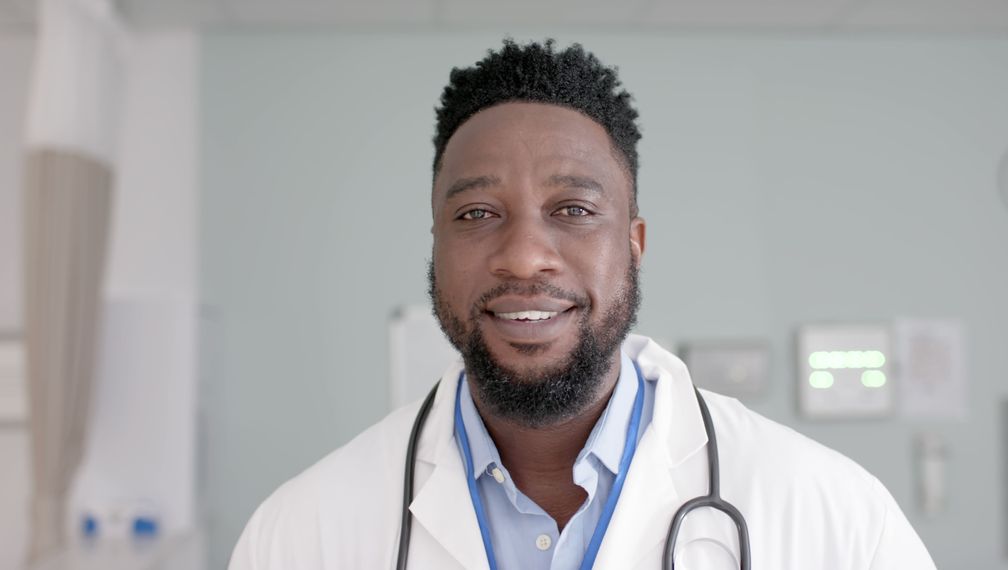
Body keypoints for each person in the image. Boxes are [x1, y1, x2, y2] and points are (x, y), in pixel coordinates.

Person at [229, 39, 936, 570]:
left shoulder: (835, 520)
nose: (524, 256)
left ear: (634, 244)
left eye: (571, 208)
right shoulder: (299, 535)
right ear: (436, 246)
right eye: (477, 214)